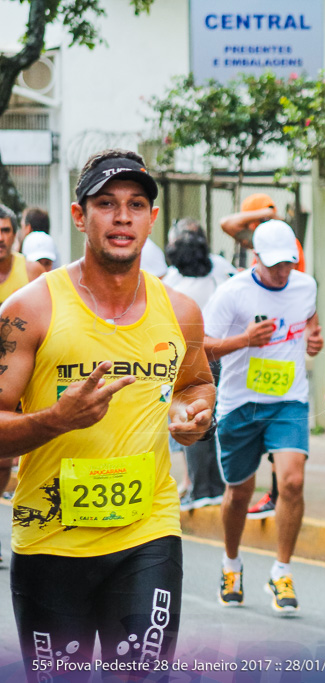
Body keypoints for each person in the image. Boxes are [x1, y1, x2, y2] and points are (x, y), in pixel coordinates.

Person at [0, 149, 214, 672]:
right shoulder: (28, 311)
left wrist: (194, 412)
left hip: (148, 535)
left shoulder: (180, 312)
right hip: (51, 539)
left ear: (151, 218)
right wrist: (55, 419)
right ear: (80, 215)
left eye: (136, 204)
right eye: (106, 203)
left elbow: (197, 383)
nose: (122, 217)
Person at [203, 219, 323, 614]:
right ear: (255, 258)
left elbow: (309, 320)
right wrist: (244, 340)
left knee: (292, 482)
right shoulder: (232, 293)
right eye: (274, 266)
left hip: (288, 399)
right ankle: (231, 564)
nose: (282, 272)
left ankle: (282, 571)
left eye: (288, 263)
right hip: (239, 402)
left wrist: (314, 338)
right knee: (239, 493)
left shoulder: (305, 285)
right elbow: (201, 348)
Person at [164, 228, 235, 511]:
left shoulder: (173, 285)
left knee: (190, 419)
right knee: (211, 420)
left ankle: (198, 487)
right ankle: (215, 486)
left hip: (186, 359)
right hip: (218, 357)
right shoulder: (219, 273)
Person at [0, 204, 45, 565]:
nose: (0, 238)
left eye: (5, 230)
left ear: (17, 235)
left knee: (4, 458)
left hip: (13, 374)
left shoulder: (30, 271)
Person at [220, 193, 307, 272]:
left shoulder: (278, 241)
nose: (245, 229)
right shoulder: (266, 244)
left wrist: (268, 213)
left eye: (246, 224)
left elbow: (226, 224)